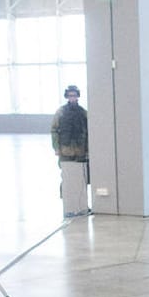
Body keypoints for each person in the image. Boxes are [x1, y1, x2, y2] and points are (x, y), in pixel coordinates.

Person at [51, 85, 90, 216]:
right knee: (67, 180)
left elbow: (88, 131)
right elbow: (54, 130)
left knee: (82, 180)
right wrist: (56, 148)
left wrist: (88, 150)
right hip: (65, 151)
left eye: (74, 95)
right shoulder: (60, 112)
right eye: (70, 95)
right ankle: (68, 207)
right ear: (67, 96)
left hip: (80, 151)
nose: (72, 98)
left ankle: (82, 206)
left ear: (77, 96)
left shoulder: (83, 112)